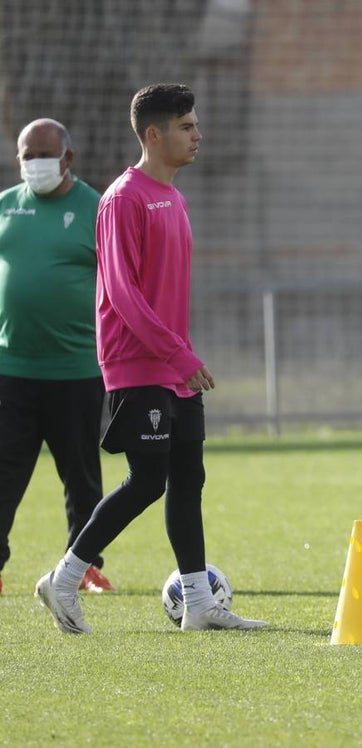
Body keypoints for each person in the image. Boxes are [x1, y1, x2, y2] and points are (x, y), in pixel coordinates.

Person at [34, 83, 266, 633]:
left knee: (188, 476)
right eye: (186, 126)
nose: (197, 135)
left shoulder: (174, 197)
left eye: (195, 124)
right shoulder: (123, 199)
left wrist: (181, 356)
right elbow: (121, 292)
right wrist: (176, 354)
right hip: (139, 363)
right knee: (147, 480)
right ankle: (63, 579)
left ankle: (199, 603)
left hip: (173, 362)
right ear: (154, 135)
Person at [0, 119, 115, 596]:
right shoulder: (5, 206)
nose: (35, 164)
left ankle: (82, 566)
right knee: (4, 473)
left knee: (82, 476)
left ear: (68, 158)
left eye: (44, 155)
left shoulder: (96, 208)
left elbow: (120, 282)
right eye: (28, 155)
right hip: (12, 369)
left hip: (76, 370)